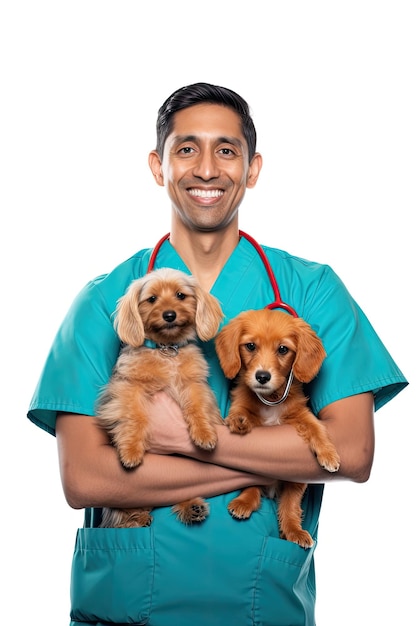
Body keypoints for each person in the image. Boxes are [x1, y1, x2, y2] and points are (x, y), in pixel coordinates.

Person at [28, 82, 408, 626]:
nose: (207, 168)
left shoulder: (312, 289)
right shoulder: (103, 299)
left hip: (260, 605)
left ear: (252, 169)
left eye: (226, 150)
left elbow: (351, 454)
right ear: (159, 166)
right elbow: (86, 477)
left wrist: (180, 439)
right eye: (187, 149)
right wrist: (262, 464)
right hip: (123, 606)